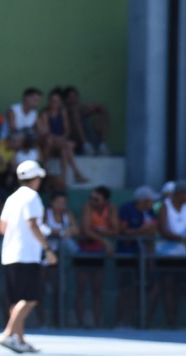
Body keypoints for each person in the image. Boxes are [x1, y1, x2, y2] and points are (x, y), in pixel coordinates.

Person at [0, 159, 55, 351]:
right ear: (36, 178)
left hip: (9, 254)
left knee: (17, 300)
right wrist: (47, 249)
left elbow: (2, 228)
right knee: (30, 298)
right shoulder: (32, 197)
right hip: (27, 255)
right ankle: (8, 334)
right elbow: (32, 224)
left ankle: (20, 341)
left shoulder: (12, 198)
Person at [151, 180, 186, 329]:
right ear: (179, 194)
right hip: (165, 255)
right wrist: (183, 239)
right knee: (165, 287)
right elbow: (163, 230)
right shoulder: (165, 207)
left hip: (182, 256)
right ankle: (162, 320)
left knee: (177, 288)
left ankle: (173, 320)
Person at [114, 186, 156, 327]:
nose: (152, 203)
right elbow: (123, 231)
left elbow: (154, 230)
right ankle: (121, 321)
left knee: (141, 290)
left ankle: (136, 322)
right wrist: (141, 231)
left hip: (144, 258)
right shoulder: (127, 209)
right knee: (126, 290)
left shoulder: (150, 212)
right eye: (150, 200)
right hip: (127, 256)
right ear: (143, 200)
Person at [74, 186, 116, 328]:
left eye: (96, 199)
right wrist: (104, 240)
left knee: (97, 290)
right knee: (81, 289)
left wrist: (97, 233)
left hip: (98, 253)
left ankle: (98, 323)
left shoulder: (111, 209)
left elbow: (116, 229)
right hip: (83, 251)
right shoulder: (87, 207)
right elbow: (85, 230)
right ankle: (80, 323)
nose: (93, 201)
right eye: (91, 198)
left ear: (105, 200)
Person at [41, 88, 88, 184]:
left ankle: (63, 179)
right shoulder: (45, 113)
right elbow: (46, 132)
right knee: (66, 145)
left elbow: (67, 129)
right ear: (49, 101)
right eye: (53, 101)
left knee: (65, 148)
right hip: (50, 143)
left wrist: (62, 138)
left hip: (61, 142)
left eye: (57, 101)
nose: (55, 103)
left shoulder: (62, 112)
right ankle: (76, 173)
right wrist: (58, 139)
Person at [63, 85, 110, 156]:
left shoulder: (81, 109)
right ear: (66, 99)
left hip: (89, 136)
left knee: (103, 112)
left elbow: (99, 108)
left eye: (74, 96)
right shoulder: (64, 111)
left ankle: (102, 145)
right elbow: (73, 110)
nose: (73, 99)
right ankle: (86, 146)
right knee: (75, 114)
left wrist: (94, 107)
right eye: (70, 97)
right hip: (76, 141)